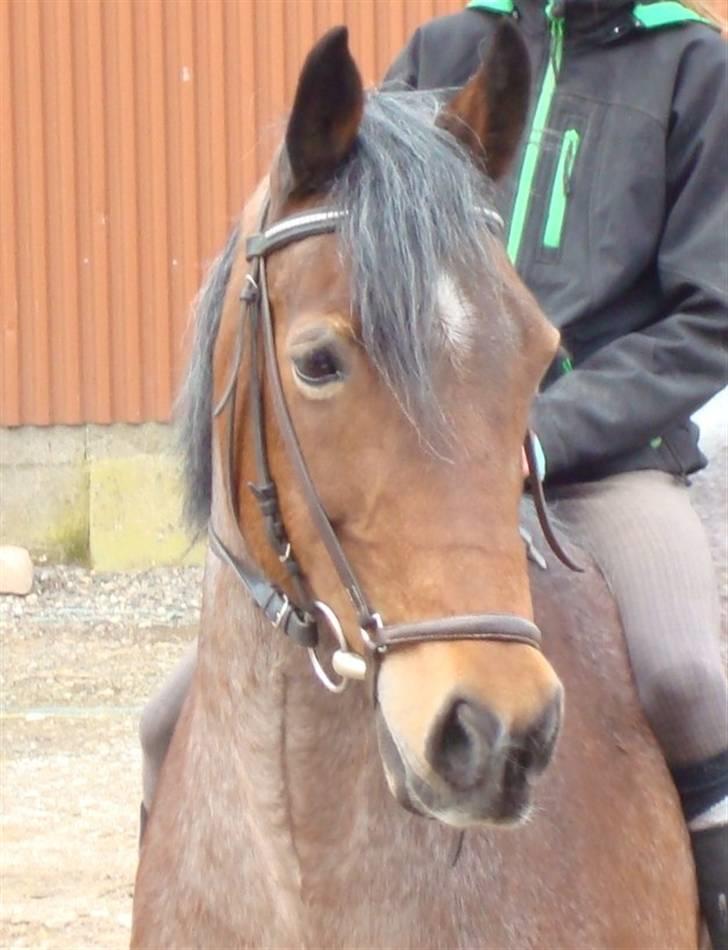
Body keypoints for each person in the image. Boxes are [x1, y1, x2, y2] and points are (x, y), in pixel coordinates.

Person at [140, 1, 728, 944]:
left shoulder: (693, 69)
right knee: (171, 720)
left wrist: (542, 432)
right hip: (429, 451)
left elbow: (712, 316)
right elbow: (350, 254)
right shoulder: (450, 50)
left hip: (610, 461)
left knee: (687, 672)